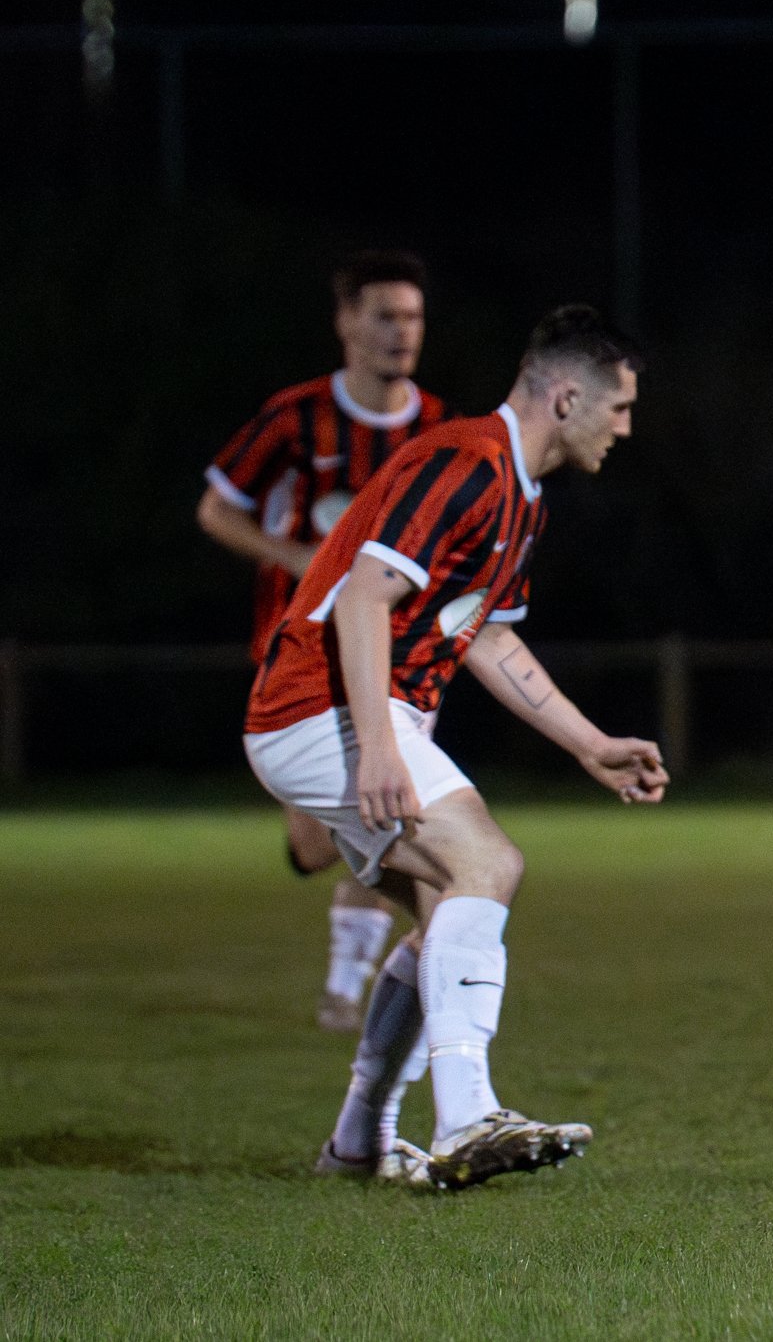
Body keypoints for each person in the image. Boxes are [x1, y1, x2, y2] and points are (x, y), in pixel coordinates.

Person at [242, 305, 668, 1189]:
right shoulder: (464, 462)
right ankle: (469, 1113)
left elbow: (486, 638)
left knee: (448, 906)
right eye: (618, 407)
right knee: (489, 861)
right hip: (319, 708)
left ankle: (359, 1142)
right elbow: (362, 598)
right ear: (564, 397)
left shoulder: (522, 497)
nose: (627, 426)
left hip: (350, 715)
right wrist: (378, 752)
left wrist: (590, 744)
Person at [198, 250, 446, 1032]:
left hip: (397, 656)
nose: (400, 331)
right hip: (295, 651)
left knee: (385, 807)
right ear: (346, 322)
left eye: (411, 316)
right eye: (383, 314)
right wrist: (298, 557)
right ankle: (382, 940)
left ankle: (349, 984)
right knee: (315, 843)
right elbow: (217, 509)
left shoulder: (440, 429)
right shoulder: (296, 418)